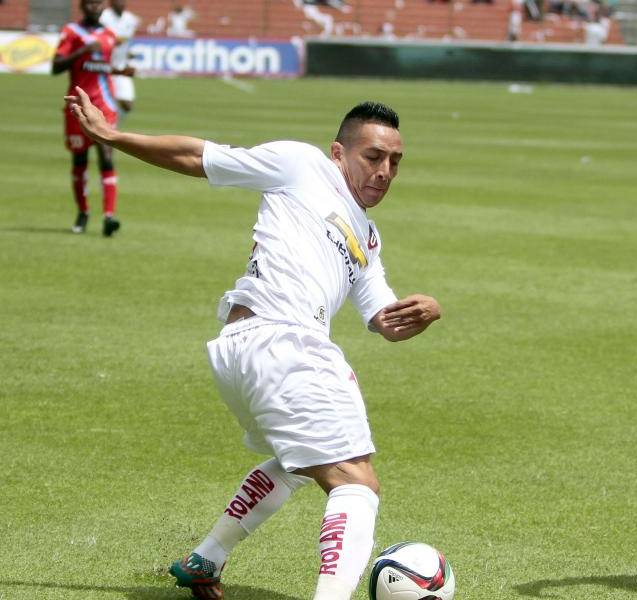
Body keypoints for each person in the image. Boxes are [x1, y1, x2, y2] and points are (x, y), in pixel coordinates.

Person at [64, 87, 442, 600]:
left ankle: (205, 559)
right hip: (284, 342)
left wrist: (420, 313)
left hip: (248, 351)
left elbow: (383, 319)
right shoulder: (303, 165)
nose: (385, 171)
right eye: (373, 156)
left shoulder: (367, 239)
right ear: (339, 152)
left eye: (395, 161)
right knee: (356, 483)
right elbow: (199, 156)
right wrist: (113, 135)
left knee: (297, 465)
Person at [52, 0, 134, 236]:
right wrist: (82, 51)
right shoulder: (71, 32)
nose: (94, 7)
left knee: (107, 157)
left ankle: (109, 217)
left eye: (98, 3)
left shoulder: (109, 35)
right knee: (79, 161)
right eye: (90, 3)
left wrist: (120, 72)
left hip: (105, 104)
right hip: (78, 103)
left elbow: (100, 67)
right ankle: (83, 212)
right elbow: (56, 66)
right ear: (82, 6)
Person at [100, 0, 141, 114]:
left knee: (127, 105)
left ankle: (112, 125)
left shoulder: (130, 19)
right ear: (111, 3)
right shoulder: (103, 17)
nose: (122, 3)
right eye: (118, 1)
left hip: (120, 66)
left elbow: (127, 41)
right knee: (100, 101)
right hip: (103, 66)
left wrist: (128, 55)